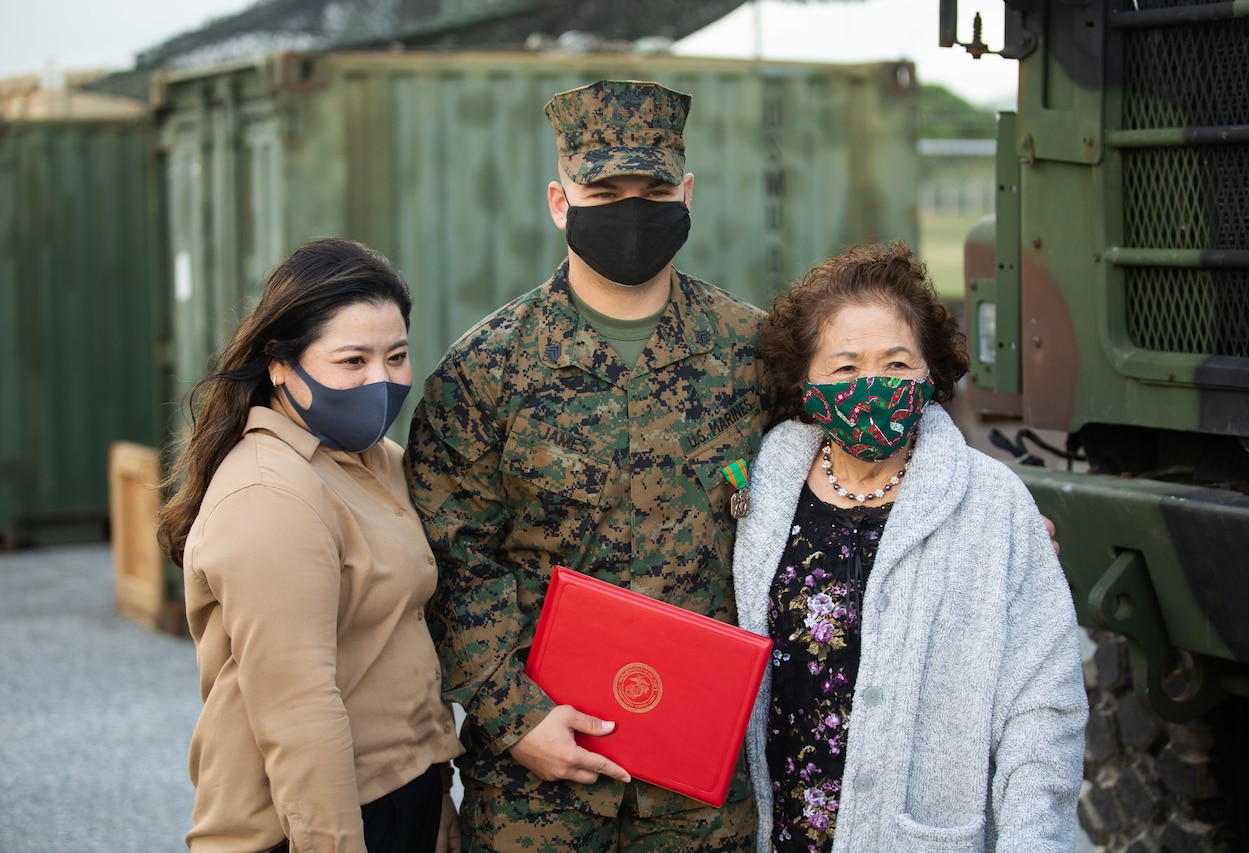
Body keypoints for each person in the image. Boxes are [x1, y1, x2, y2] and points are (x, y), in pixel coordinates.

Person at [404, 80, 767, 850]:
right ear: (559, 201)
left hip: (700, 788)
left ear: (687, 191)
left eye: (655, 187)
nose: (631, 209)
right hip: (538, 792)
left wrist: (992, 508)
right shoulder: (485, 369)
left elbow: (861, 455)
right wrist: (512, 715)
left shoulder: (755, 355)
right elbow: (451, 559)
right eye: (603, 188)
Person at [733, 241, 1088, 852]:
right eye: (845, 369)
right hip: (779, 832)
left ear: (932, 373)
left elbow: (1044, 708)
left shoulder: (993, 506)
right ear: (804, 380)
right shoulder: (761, 487)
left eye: (896, 365)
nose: (871, 386)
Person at [157, 237, 464, 853]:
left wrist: (435, 803)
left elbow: (397, 644)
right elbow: (300, 715)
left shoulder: (373, 461)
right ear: (279, 365)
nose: (381, 380)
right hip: (310, 821)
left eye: (397, 356)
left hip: (400, 795)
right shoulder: (270, 496)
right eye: (353, 361)